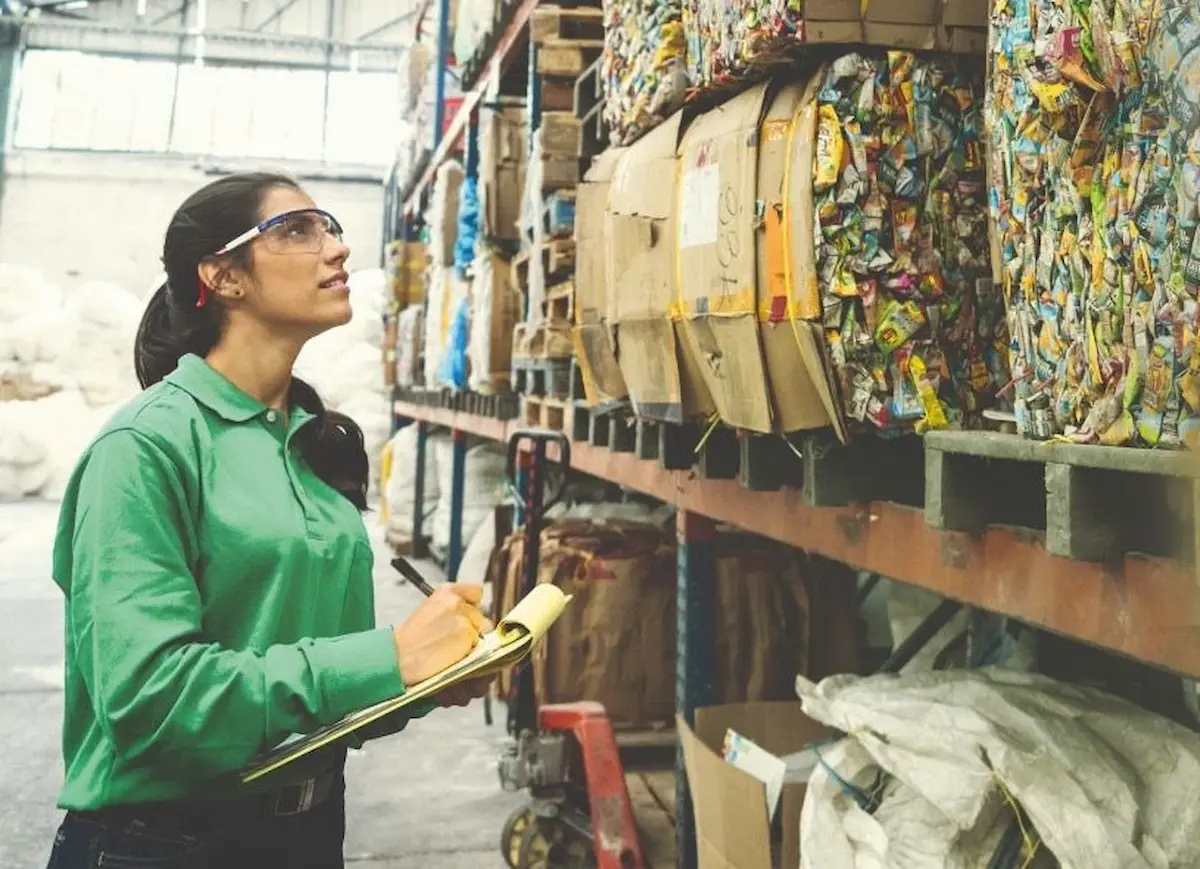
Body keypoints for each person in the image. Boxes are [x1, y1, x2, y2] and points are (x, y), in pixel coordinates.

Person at [44, 172, 492, 869]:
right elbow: (150, 703)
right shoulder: (144, 448)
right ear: (223, 276)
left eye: (334, 227)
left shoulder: (313, 443)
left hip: (308, 831)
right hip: (163, 843)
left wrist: (422, 676)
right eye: (298, 230)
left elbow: (318, 688)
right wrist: (388, 657)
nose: (337, 249)